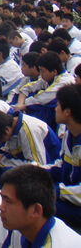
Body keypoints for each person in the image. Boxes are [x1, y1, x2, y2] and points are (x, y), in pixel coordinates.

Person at [0, 165, 81, 246]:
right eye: (2, 199)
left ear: (36, 210)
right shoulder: (19, 230)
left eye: (8, 201)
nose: (1, 207)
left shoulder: (57, 244)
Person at [0, 109, 60, 185]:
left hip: (50, 171)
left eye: (0, 139)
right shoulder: (12, 126)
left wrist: (5, 161)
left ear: (7, 129)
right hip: (26, 162)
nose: (1, 142)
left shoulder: (28, 131)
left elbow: (38, 167)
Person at [46, 84, 81, 224]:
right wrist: (36, 170)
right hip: (70, 194)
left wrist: (57, 191)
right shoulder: (69, 135)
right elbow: (61, 165)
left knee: (41, 206)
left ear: (67, 112)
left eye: (58, 105)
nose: (55, 109)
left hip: (76, 200)